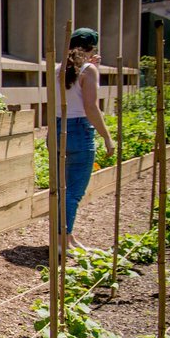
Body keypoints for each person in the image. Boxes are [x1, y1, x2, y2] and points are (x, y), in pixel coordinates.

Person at [56, 27, 115, 250]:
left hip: (58, 129)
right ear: (92, 49)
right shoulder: (88, 70)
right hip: (80, 130)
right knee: (73, 192)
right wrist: (107, 137)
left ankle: (66, 237)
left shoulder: (57, 68)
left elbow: (70, 95)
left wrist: (91, 67)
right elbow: (90, 106)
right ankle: (62, 241)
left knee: (61, 190)